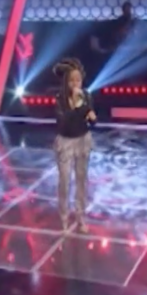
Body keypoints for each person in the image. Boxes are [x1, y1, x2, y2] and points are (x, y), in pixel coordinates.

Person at [53, 58, 96, 232]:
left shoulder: (86, 96)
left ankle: (81, 217)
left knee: (81, 181)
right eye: (72, 80)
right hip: (66, 142)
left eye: (78, 80)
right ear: (66, 81)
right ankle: (64, 216)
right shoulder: (60, 99)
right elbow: (64, 122)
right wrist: (78, 108)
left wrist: (85, 109)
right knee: (64, 181)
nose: (75, 83)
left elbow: (92, 120)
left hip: (83, 140)